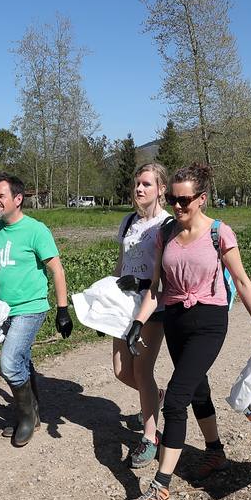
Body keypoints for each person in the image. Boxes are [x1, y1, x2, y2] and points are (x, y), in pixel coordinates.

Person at [123, 163, 251, 500]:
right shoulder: (166, 233)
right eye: (174, 199)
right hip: (176, 318)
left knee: (176, 400)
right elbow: (155, 287)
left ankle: (160, 489)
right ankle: (215, 452)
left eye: (185, 200)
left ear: (202, 198)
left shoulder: (219, 233)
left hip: (209, 322)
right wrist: (138, 322)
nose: (178, 206)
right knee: (197, 390)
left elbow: (241, 281)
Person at [0, 173, 73, 447]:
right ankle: (35, 412)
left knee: (8, 363)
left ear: (18, 199)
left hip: (30, 307)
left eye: (0, 196)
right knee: (22, 360)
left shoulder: (36, 230)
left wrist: (63, 310)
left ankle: (26, 417)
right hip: (4, 309)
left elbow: (57, 270)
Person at [112, 162, 170, 468]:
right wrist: (104, 302)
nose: (139, 189)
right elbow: (120, 265)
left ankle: (150, 437)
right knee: (122, 371)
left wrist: (144, 283)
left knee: (142, 371)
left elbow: (169, 275)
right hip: (123, 306)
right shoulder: (127, 222)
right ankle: (157, 396)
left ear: (161, 189)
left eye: (146, 184)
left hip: (153, 306)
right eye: (137, 183)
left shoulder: (166, 225)